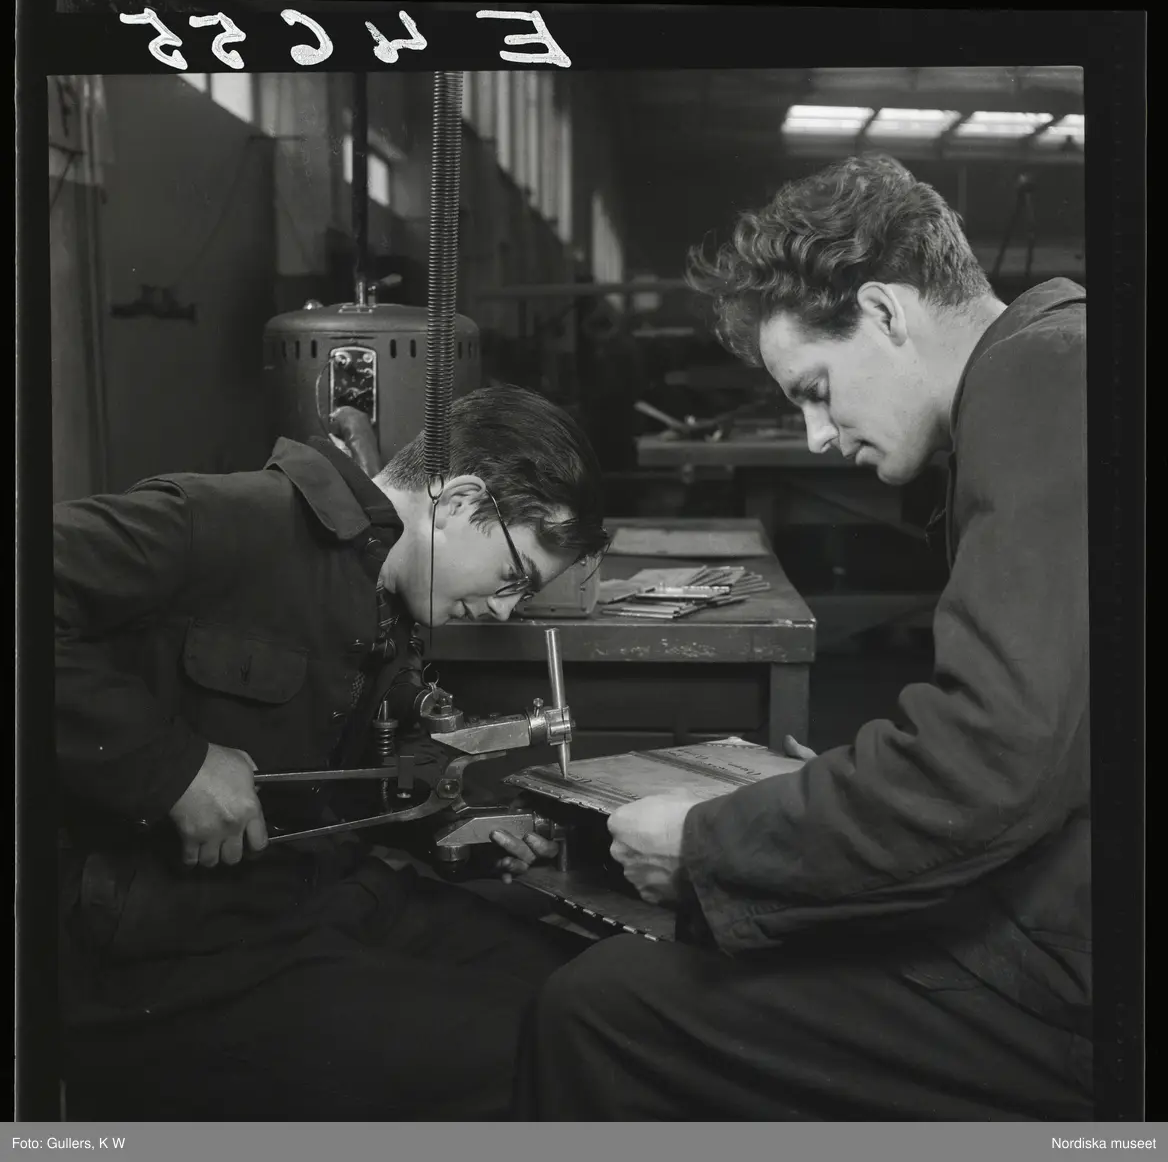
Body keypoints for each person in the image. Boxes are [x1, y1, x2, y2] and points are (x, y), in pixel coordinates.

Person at [514, 155, 1092, 1121]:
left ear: (885, 311)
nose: (819, 436)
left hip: (1079, 976)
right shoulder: (1064, 362)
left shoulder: (1045, 383)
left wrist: (708, 843)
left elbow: (990, 765)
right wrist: (825, 800)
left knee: (602, 1009)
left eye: (816, 388)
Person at [55, 383, 608, 1121]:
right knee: (541, 1053)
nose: (506, 609)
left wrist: (466, 826)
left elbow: (344, 776)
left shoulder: (386, 586)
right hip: (173, 954)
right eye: (514, 578)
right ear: (457, 502)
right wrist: (170, 767)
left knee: (595, 998)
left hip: (322, 896)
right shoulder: (232, 521)